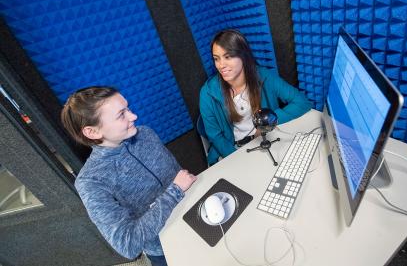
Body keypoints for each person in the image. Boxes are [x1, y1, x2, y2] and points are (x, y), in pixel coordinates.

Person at [61, 86, 196, 266]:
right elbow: (127, 243)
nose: (133, 117)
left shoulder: (145, 133)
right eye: (121, 115)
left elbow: (177, 173)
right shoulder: (91, 182)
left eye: (128, 108)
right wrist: (176, 191)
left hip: (196, 214)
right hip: (166, 247)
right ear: (92, 132)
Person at [199, 29, 311, 165]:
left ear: (243, 56)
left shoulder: (264, 76)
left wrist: (267, 123)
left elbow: (302, 102)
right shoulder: (207, 93)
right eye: (216, 58)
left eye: (228, 57)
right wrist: (239, 161)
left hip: (267, 138)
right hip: (232, 150)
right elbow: (215, 137)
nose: (221, 65)